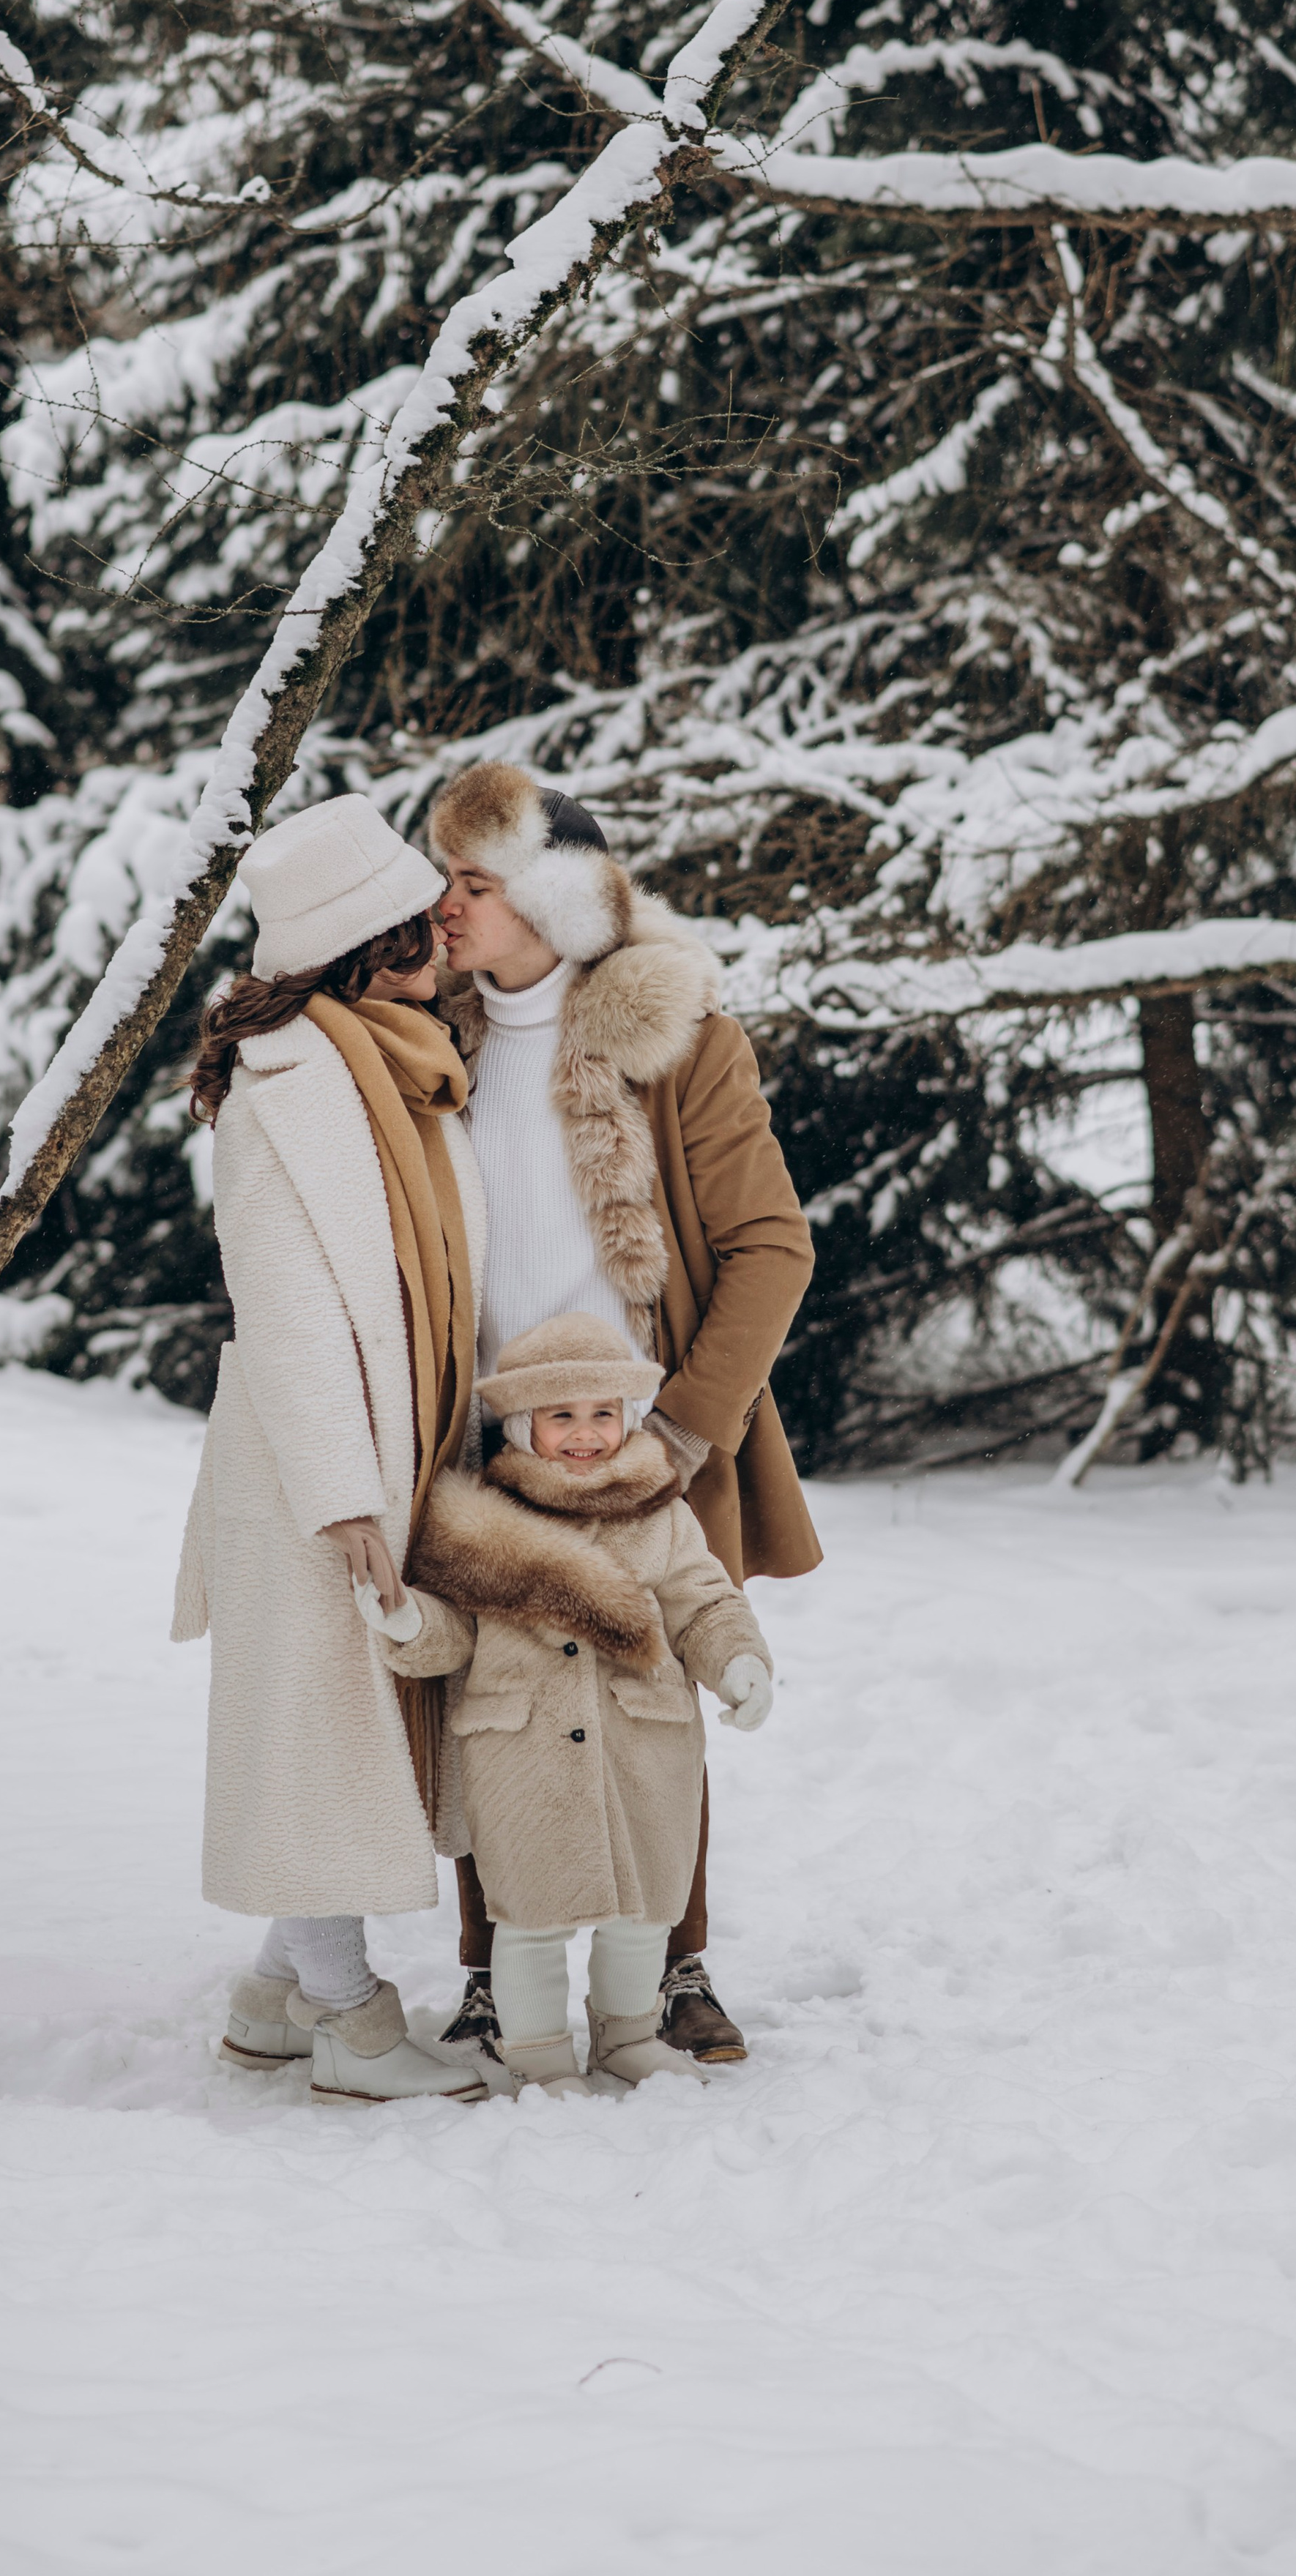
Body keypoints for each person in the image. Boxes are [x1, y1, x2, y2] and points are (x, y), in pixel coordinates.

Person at [428, 764, 821, 2063]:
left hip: (649, 1430)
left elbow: (772, 1244)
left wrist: (690, 1431)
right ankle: (496, 1975)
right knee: (502, 1702)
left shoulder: (678, 1035)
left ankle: (679, 1963)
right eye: (442, 879)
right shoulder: (431, 1038)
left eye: (473, 884)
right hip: (490, 1444)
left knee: (655, 1695)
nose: (445, 907)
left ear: (551, 901)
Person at [171, 794, 489, 2107]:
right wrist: (345, 1496)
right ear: (360, 955)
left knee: (340, 1734)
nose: (443, 953)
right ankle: (353, 2024)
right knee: (319, 1738)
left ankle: (271, 2003)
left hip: (398, 1441)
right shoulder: (287, 1087)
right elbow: (288, 1305)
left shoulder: (408, 1066)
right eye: (416, 939)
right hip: (315, 1464)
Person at [365, 1315, 775, 2094]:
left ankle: (625, 2037)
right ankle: (537, 2053)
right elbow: (451, 1635)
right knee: (528, 1919)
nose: (584, 1434)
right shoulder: (480, 1525)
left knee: (641, 1913)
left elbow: (703, 1604)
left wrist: (739, 1662)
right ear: (523, 1425)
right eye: (560, 1416)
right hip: (523, 1753)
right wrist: (409, 1622)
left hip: (643, 1742)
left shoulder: (661, 1512)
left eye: (601, 1413)